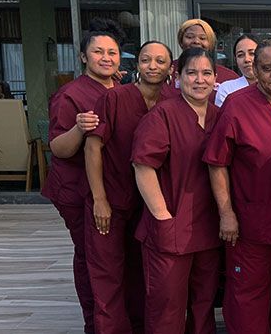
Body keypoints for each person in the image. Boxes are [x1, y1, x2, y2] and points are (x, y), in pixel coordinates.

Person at [203, 39, 271, 334]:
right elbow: (216, 162)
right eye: (267, 68)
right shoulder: (237, 105)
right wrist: (226, 213)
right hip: (253, 222)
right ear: (254, 68)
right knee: (248, 296)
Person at [84, 40, 174, 334]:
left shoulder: (172, 102)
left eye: (160, 61)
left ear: (171, 68)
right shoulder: (115, 98)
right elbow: (93, 147)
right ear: (137, 64)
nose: (153, 66)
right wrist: (99, 199)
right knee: (108, 276)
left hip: (147, 204)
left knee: (141, 276)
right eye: (147, 60)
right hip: (111, 200)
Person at [41, 18, 124, 334]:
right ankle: (95, 322)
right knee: (91, 255)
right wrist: (79, 127)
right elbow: (58, 148)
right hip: (77, 190)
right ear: (83, 57)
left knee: (107, 255)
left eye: (112, 52)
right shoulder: (70, 95)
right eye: (98, 52)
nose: (106, 58)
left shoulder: (118, 88)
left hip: (110, 185)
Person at [131, 47, 221, 334]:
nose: (199, 80)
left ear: (215, 78)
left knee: (203, 304)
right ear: (178, 77)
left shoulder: (221, 116)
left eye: (206, 73)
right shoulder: (163, 115)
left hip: (209, 227)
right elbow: (143, 167)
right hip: (171, 226)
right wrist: (162, 217)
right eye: (191, 73)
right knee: (166, 306)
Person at [162, 19, 239, 102]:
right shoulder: (165, 72)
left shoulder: (228, 76)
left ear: (210, 44)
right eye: (190, 37)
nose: (196, 41)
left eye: (202, 38)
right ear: (181, 41)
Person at [215, 33, 259, 107]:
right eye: (240, 55)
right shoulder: (226, 89)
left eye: (252, 53)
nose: (247, 59)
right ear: (236, 60)